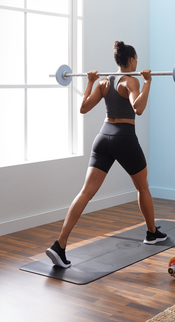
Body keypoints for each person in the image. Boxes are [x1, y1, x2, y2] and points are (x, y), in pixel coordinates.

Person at [46, 41, 167, 268]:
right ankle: (152, 233)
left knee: (85, 192)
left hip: (103, 138)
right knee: (142, 187)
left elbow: (83, 108)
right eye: (136, 59)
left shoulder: (102, 82)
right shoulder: (130, 81)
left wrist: (90, 82)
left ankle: (59, 245)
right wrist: (148, 82)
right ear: (131, 60)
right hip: (124, 138)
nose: (137, 62)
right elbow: (138, 109)